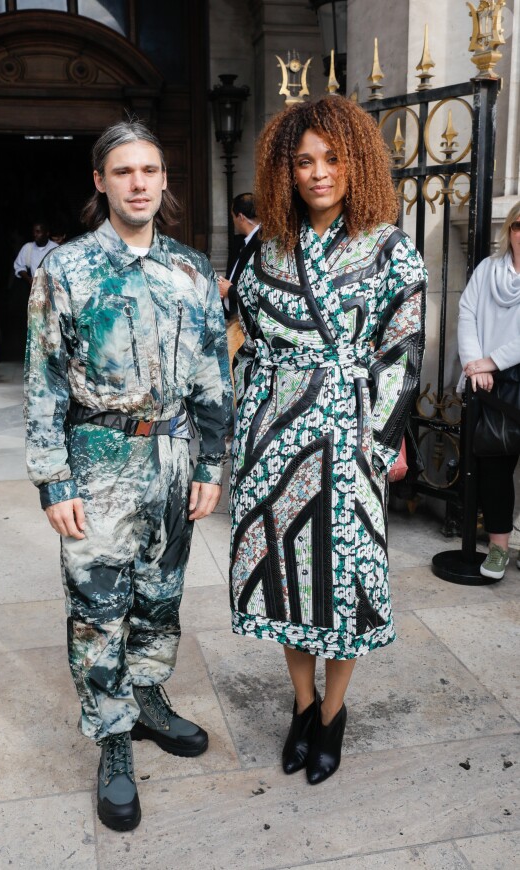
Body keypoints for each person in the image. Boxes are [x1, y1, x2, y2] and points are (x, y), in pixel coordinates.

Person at [24, 120, 233, 832]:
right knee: (98, 609)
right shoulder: (68, 269)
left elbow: (213, 371)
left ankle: (147, 697)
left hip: (174, 458)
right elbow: (44, 380)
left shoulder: (192, 270)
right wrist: (54, 479)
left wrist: (211, 461)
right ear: (100, 182)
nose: (138, 182)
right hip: (99, 459)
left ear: (165, 180)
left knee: (161, 594)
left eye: (149, 170)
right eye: (124, 172)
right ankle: (113, 736)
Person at [229, 96, 426, 785]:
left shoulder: (391, 250)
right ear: (284, 170)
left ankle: (335, 715)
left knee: (345, 582)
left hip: (348, 436)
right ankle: (303, 705)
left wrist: (378, 441)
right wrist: (245, 419)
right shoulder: (264, 248)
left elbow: (403, 348)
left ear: (357, 163)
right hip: (273, 435)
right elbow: (243, 334)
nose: (318, 173)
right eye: (304, 161)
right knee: (284, 577)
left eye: (332, 159)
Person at [458, 200, 520, 580]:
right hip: (494, 387)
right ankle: (498, 549)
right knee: (495, 468)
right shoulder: (488, 271)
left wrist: (490, 360)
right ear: (510, 229)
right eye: (519, 224)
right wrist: (474, 361)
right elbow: (467, 314)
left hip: (501, 371)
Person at [217, 193, 260, 374]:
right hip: (235, 319)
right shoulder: (243, 242)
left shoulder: (262, 241)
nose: (234, 221)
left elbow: (261, 288)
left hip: (248, 328)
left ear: (240, 216)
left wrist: (231, 291)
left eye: (233, 216)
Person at [13, 221, 58, 287]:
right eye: (34, 232)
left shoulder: (55, 248)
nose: (35, 234)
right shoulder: (28, 248)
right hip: (35, 289)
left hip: (53, 289)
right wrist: (29, 279)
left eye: (38, 232)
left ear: (47, 233)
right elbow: (19, 267)